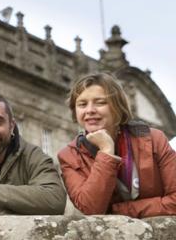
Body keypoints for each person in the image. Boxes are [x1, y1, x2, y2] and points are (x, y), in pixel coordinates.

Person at [58, 72, 176, 217]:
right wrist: (106, 151)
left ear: (117, 106)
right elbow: (91, 209)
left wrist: (123, 211)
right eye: (82, 104)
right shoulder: (69, 155)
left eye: (100, 102)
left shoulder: (153, 139)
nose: (90, 110)